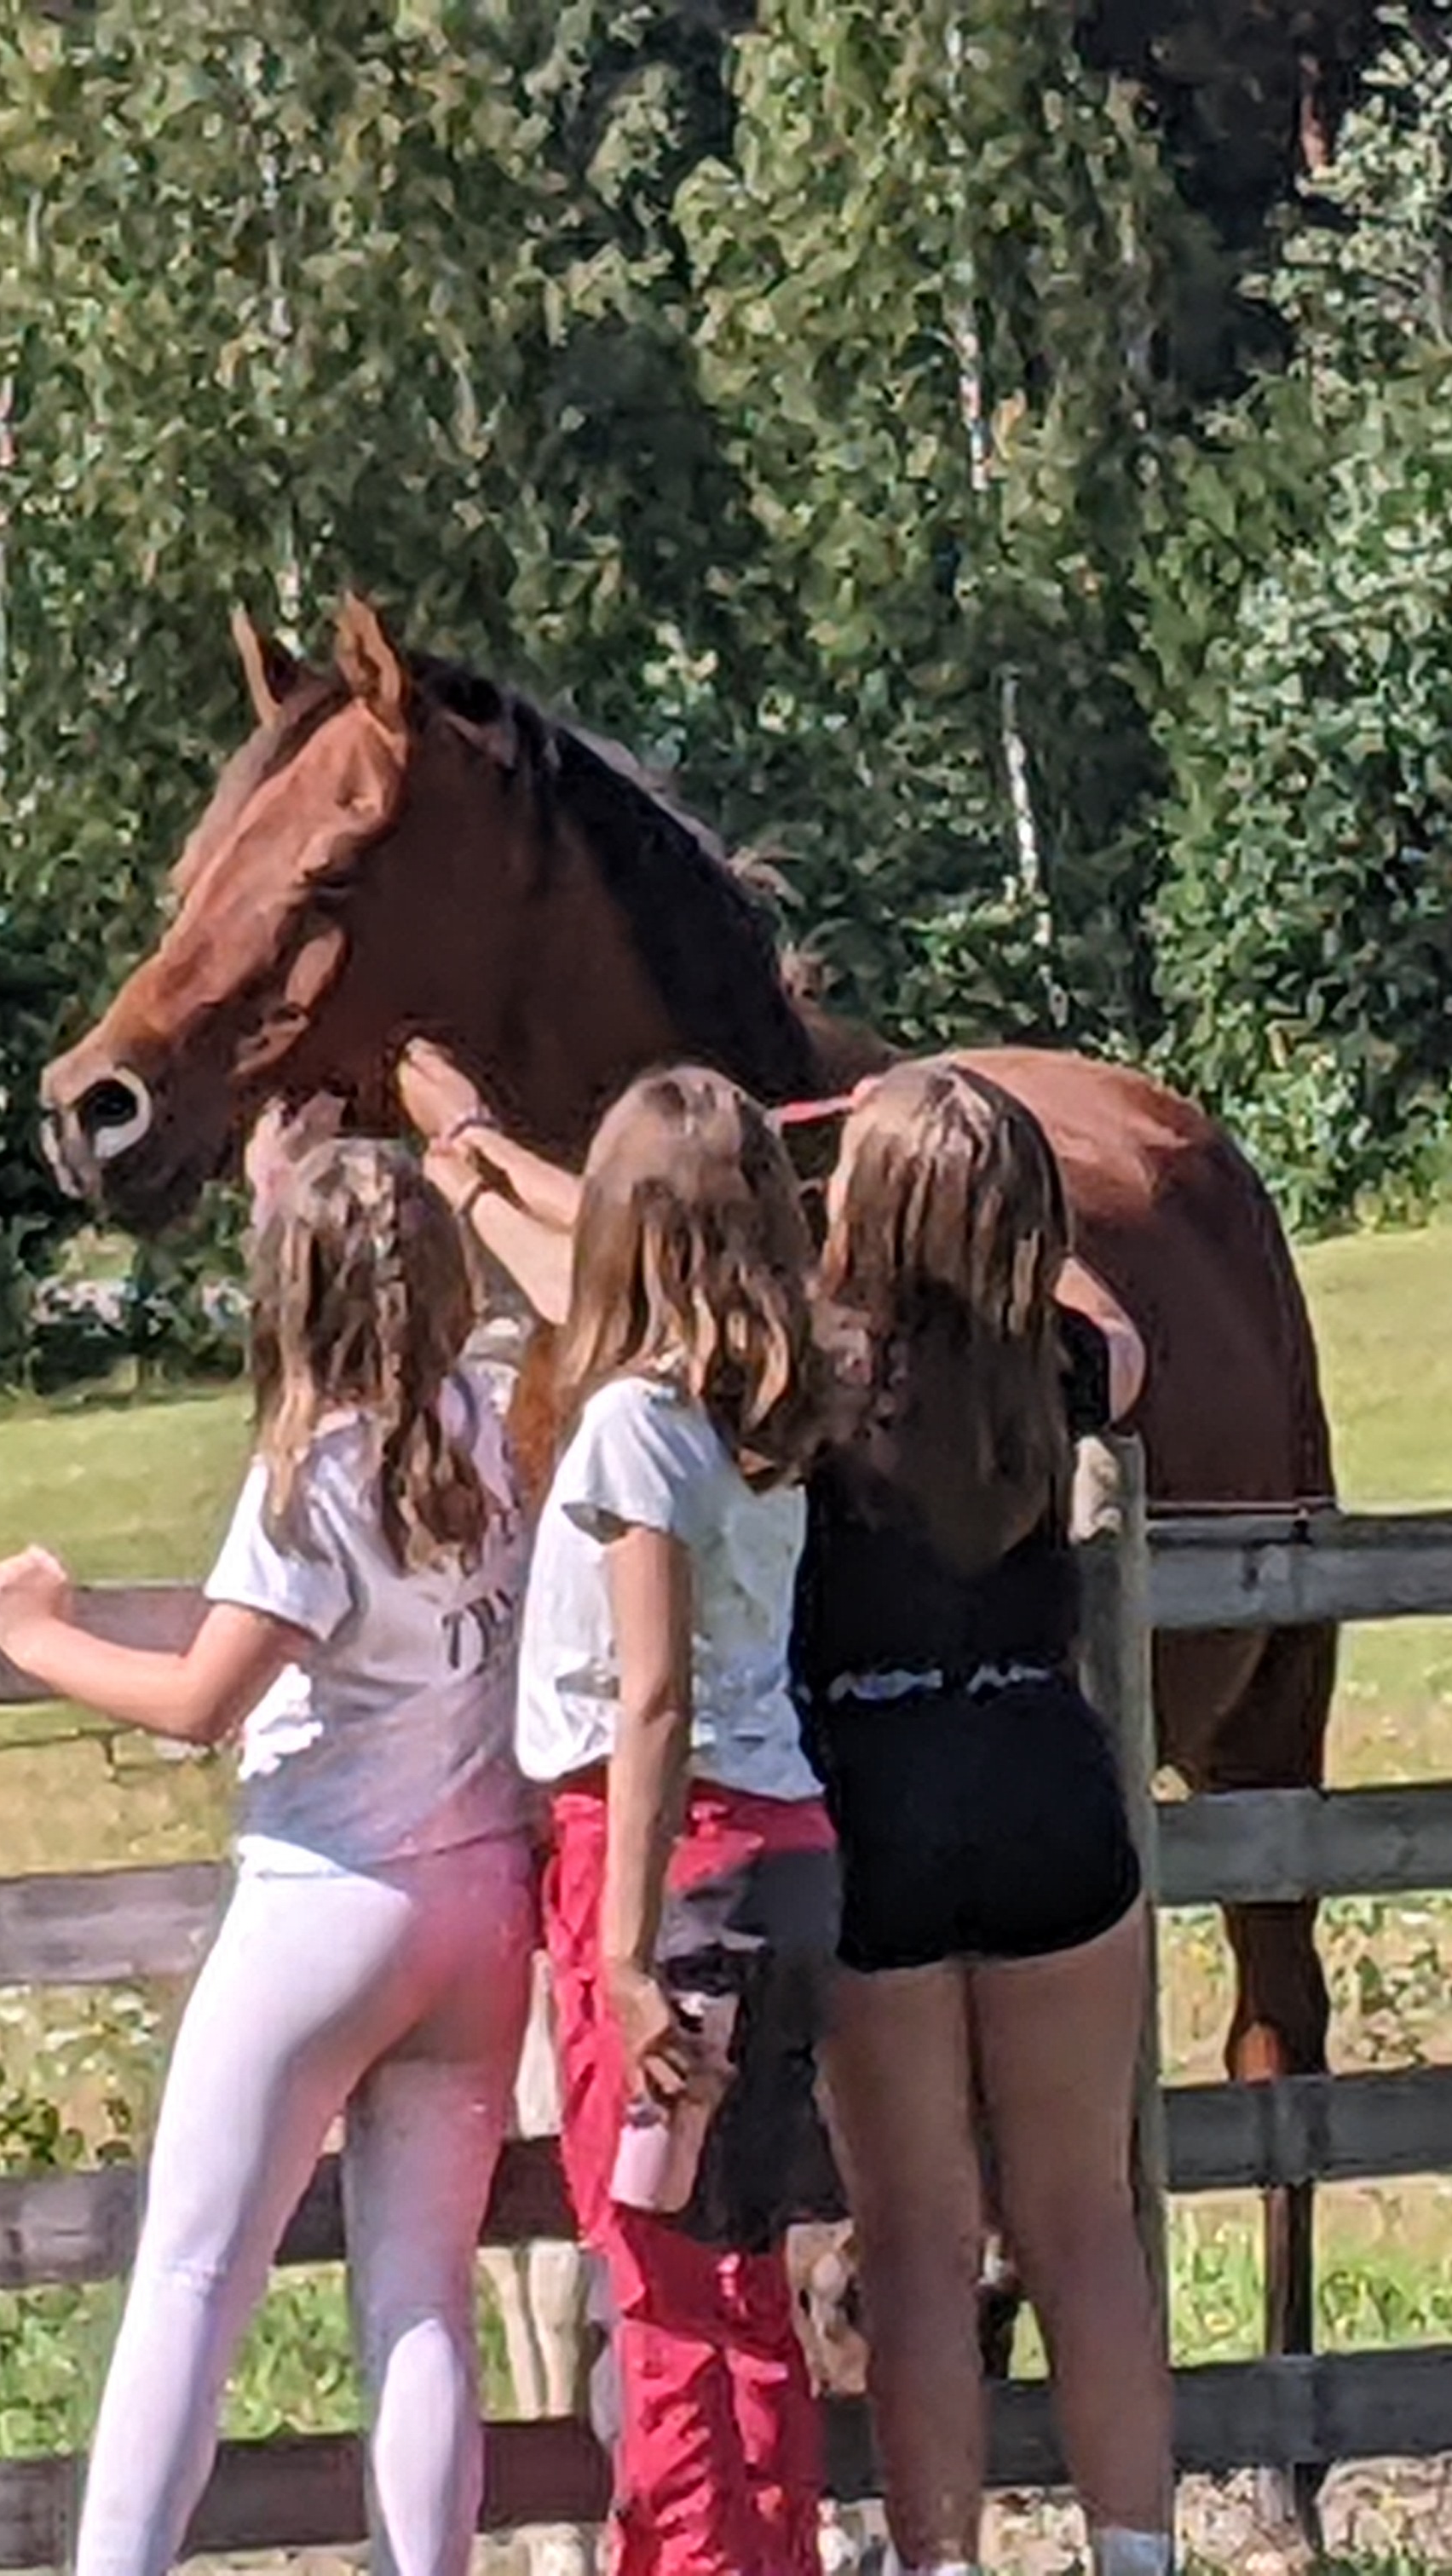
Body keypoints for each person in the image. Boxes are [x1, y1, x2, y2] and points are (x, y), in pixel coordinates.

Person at [0, 1128, 534, 2576]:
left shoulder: (315, 1478)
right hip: (481, 1901)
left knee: (193, 2279)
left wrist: (35, 1636)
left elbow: (200, 1702)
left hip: (327, 1900)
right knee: (421, 2300)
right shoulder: (494, 1428)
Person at [798, 1062, 1173, 2576]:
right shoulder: (1060, 1363)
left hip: (877, 1800)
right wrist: (1027, 1242)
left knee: (916, 2241)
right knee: (1083, 2223)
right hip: (1044, 1781)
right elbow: (1130, 1338)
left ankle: (941, 2557)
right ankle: (1136, 2551)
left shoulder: (809, 1376)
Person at [498, 1062, 844, 2576]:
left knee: (658, 2286)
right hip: (780, 1855)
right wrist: (467, 1156)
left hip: (667, 1862)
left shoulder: (635, 1428)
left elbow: (652, 1694)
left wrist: (626, 1959)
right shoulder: (764, 1423)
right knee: (741, 2269)